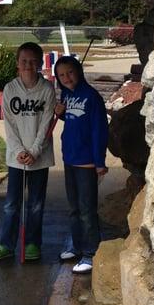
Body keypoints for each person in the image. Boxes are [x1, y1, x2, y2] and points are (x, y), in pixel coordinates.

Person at [0, 42, 56, 262]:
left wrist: (34, 151)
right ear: (17, 63)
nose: (28, 65)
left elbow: (46, 124)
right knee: (11, 204)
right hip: (16, 159)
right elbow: (10, 125)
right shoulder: (10, 89)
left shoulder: (47, 89)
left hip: (40, 157)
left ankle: (33, 244)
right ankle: (6, 245)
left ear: (40, 63)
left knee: (36, 204)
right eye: (24, 61)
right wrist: (18, 150)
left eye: (33, 61)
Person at [53, 56, 109, 274]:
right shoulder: (67, 94)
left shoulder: (92, 97)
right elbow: (75, 119)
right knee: (74, 209)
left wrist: (99, 162)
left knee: (87, 210)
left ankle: (91, 252)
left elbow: (98, 130)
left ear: (79, 71)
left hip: (87, 162)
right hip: (70, 159)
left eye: (70, 72)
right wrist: (61, 113)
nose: (66, 77)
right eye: (61, 75)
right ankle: (76, 246)